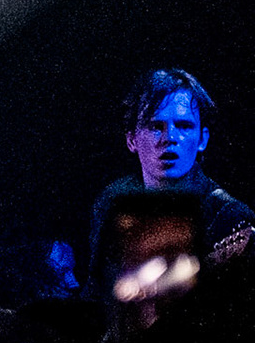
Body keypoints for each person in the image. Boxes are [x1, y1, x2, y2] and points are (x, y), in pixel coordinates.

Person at [88, 67, 255, 287]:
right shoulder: (111, 203)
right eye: (156, 126)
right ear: (131, 140)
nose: (170, 137)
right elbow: (94, 293)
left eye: (184, 126)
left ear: (202, 140)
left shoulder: (228, 215)